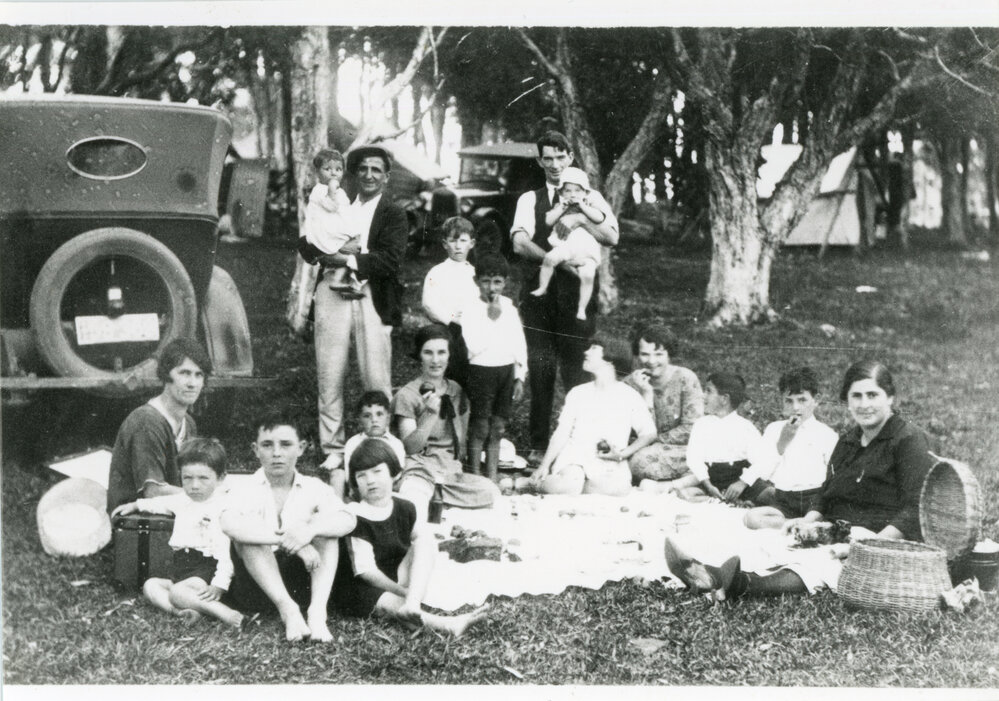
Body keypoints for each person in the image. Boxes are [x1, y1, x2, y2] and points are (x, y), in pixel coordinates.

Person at [663, 360, 936, 599]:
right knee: (772, 543)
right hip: (836, 528)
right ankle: (709, 573)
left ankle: (740, 585)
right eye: (857, 396)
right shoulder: (850, 441)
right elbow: (827, 491)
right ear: (848, 400)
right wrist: (807, 521)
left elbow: (915, 509)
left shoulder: (907, 439)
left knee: (818, 563)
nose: (864, 405)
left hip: (878, 537)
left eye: (872, 395)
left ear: (890, 397)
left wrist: (865, 546)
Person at [510, 131, 620, 465]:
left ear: (570, 157)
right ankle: (540, 444)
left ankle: (580, 445)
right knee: (541, 368)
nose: (555, 165)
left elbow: (612, 236)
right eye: (548, 158)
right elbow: (519, 242)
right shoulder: (530, 199)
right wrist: (555, 260)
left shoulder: (591, 195)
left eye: (561, 157)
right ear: (540, 161)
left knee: (578, 369)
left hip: (577, 296)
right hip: (540, 294)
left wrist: (581, 217)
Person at [298, 144, 407, 472]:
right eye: (363, 169)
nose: (369, 175)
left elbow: (390, 259)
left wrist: (346, 256)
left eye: (376, 170)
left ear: (386, 177)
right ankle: (332, 445)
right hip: (332, 287)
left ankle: (378, 441)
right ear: (353, 174)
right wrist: (324, 251)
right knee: (329, 371)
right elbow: (306, 244)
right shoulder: (334, 201)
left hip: (372, 294)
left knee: (375, 372)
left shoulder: (392, 212)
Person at [330, 439, 490, 636]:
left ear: (394, 473)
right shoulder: (355, 515)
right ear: (354, 483)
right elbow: (367, 572)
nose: (370, 480)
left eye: (377, 472)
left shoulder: (405, 506)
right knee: (380, 599)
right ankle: (446, 624)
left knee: (426, 540)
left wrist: (410, 592)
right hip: (364, 584)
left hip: (396, 572)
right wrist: (401, 592)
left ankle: (412, 604)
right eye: (361, 476)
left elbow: (421, 540)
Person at [219, 413, 355, 642]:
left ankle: (316, 613)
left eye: (285, 444)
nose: (276, 453)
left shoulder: (314, 487)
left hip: (304, 582)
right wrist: (288, 541)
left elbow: (348, 519)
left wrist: (309, 531)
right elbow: (229, 524)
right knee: (249, 534)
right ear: (255, 449)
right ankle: (289, 611)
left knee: (325, 529)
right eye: (267, 445)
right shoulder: (244, 487)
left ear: (301, 448)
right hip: (258, 588)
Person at [111, 437, 244, 629]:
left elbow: (225, 552)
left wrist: (219, 585)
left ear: (221, 478)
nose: (194, 485)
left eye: (203, 478)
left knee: (177, 593)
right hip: (181, 569)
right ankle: (182, 612)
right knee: (151, 586)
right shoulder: (182, 499)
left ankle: (224, 612)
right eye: (187, 478)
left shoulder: (221, 508)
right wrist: (135, 505)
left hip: (206, 569)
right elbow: (159, 504)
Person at [392, 324, 500, 523]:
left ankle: (444, 505)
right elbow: (410, 447)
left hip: (450, 475)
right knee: (415, 504)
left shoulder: (456, 390)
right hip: (420, 471)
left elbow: (461, 440)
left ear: (450, 355)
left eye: (441, 352)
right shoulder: (407, 395)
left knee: (492, 493)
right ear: (419, 356)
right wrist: (430, 414)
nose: (435, 360)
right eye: (428, 353)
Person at [530, 344, 657, 497]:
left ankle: (575, 488)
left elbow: (649, 433)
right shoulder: (578, 392)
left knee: (619, 489)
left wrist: (622, 454)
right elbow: (562, 432)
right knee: (571, 483)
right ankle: (533, 484)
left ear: (610, 359)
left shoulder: (629, 396)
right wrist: (544, 465)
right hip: (574, 458)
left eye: (594, 349)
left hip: (609, 462)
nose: (586, 352)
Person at [107, 338, 210, 513]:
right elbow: (153, 492)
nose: (192, 383)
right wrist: (210, 495)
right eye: (184, 373)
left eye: (198, 375)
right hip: (136, 526)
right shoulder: (146, 422)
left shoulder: (188, 423)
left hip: (170, 517)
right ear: (166, 375)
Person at [733, 367, 839, 523]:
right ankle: (795, 525)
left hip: (814, 499)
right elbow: (764, 471)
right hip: (784, 498)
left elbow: (834, 477)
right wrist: (782, 442)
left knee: (824, 517)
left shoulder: (826, 434)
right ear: (782, 400)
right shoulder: (774, 429)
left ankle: (804, 523)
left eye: (802, 400)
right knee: (752, 519)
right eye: (789, 401)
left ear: (816, 400)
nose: (795, 407)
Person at [459, 254, 527, 481]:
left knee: (498, 427)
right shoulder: (470, 308)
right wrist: (491, 318)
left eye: (497, 281)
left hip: (505, 371)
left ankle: (491, 476)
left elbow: (518, 342)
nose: (492, 287)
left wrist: (519, 376)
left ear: (505, 282)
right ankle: (475, 477)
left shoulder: (508, 306)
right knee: (480, 427)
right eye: (486, 281)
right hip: (481, 371)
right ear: (476, 281)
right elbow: (474, 346)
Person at [622, 324, 704, 490]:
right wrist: (647, 395)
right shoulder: (629, 384)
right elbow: (629, 430)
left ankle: (670, 485)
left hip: (681, 447)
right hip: (641, 448)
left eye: (658, 354)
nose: (652, 361)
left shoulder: (685, 378)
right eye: (645, 354)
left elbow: (691, 428)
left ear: (669, 354)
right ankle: (683, 482)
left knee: (639, 461)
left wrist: (652, 440)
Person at [669, 372, 763, 501]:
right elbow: (694, 458)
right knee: (684, 495)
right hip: (711, 481)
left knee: (768, 494)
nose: (703, 396)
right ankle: (716, 500)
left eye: (708, 391)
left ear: (724, 399)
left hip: (738, 480)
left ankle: (736, 501)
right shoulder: (701, 424)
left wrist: (741, 483)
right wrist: (708, 485)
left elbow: (761, 461)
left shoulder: (746, 427)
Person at [530, 167, 608, 321]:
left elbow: (599, 218)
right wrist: (561, 209)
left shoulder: (589, 208)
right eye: (568, 191)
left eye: (578, 191)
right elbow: (548, 221)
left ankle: (581, 308)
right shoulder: (560, 207)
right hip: (565, 246)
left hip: (586, 249)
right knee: (549, 259)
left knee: (588, 275)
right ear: (561, 193)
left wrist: (583, 207)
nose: (573, 194)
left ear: (585, 193)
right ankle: (542, 287)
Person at [421, 216, 478, 388]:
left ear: (472, 243)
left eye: (463, 240)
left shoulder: (475, 273)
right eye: (453, 241)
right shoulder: (437, 272)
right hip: (447, 330)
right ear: (445, 244)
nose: (458, 246)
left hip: (472, 330)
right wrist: (452, 319)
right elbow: (428, 304)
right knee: (447, 376)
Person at [302, 148, 363, 295]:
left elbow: (345, 210)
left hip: (334, 230)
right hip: (324, 234)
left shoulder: (340, 191)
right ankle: (343, 271)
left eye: (338, 169)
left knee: (356, 247)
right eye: (327, 169)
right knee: (351, 254)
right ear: (317, 172)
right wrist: (331, 189)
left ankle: (338, 279)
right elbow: (332, 206)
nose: (333, 173)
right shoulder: (320, 190)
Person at [335, 390, 407, 500]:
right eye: (367, 416)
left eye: (379, 414)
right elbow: (351, 477)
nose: (374, 420)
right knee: (337, 475)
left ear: (388, 418)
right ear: (359, 419)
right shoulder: (353, 442)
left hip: (388, 493)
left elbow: (397, 476)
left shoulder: (396, 444)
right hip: (361, 492)